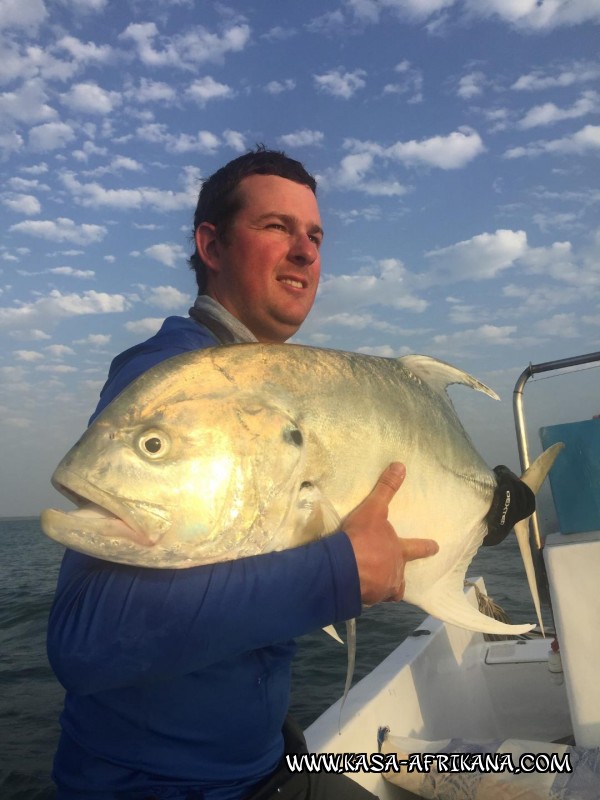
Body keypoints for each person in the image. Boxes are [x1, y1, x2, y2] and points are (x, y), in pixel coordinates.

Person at [47, 147, 534, 800]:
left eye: (315, 235)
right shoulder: (175, 378)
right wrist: (336, 573)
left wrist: (488, 505)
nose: (305, 252)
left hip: (271, 763)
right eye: (276, 227)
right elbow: (84, 641)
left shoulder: (294, 381)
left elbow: (393, 500)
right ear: (211, 245)